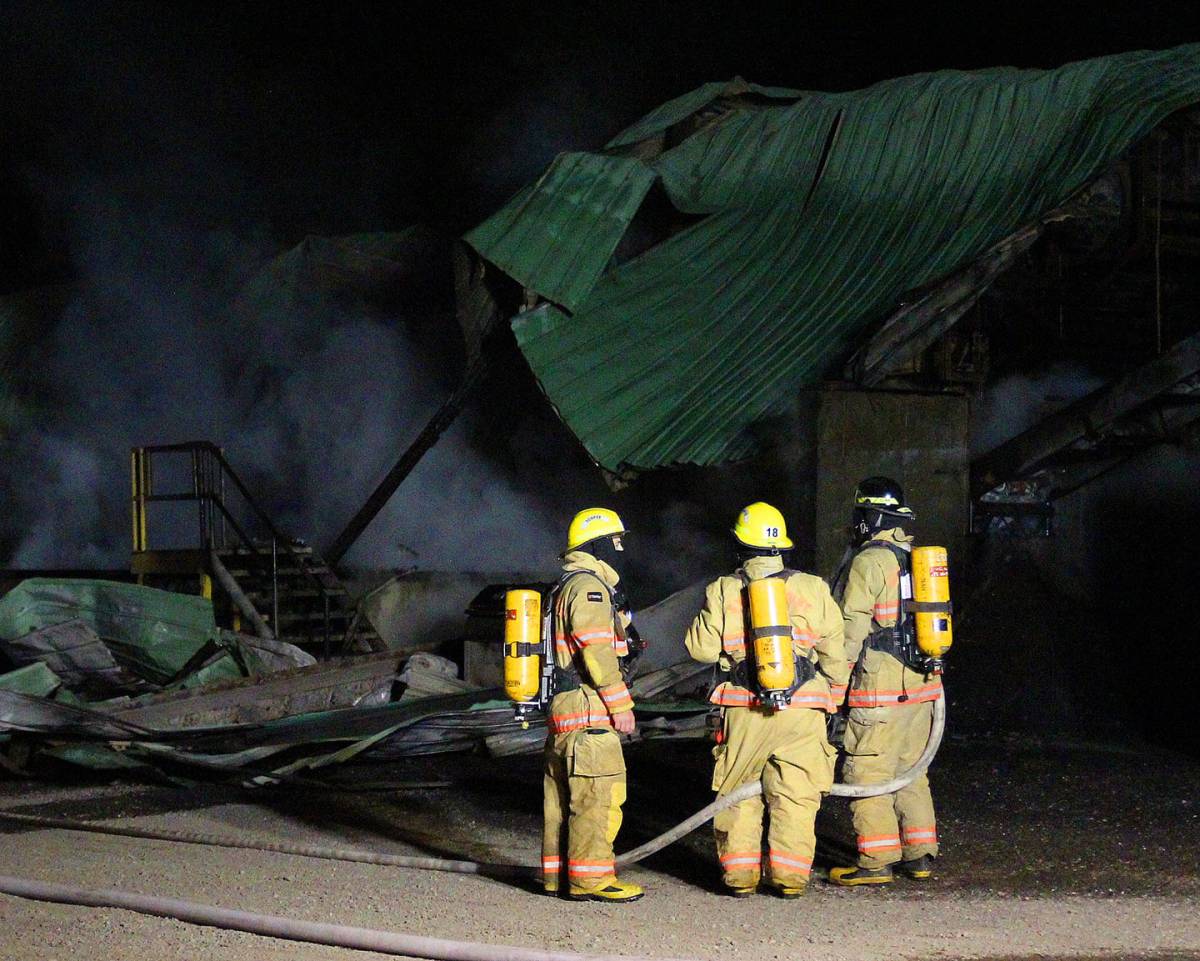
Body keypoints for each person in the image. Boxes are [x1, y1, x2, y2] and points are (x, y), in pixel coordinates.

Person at [684, 502, 847, 897]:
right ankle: (789, 879)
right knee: (796, 795)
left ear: (741, 546)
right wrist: (833, 698)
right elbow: (835, 653)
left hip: (745, 709)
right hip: (804, 709)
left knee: (738, 793)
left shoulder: (723, 589)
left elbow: (700, 649)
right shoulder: (813, 587)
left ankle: (740, 878)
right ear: (782, 548)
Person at [829, 477, 941, 887]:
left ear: (869, 515)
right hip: (923, 687)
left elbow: (851, 627)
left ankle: (875, 861)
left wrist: (832, 685)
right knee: (911, 770)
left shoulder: (870, 560)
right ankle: (920, 855)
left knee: (868, 771)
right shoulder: (914, 557)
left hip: (881, 687)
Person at [541, 508, 644, 903]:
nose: (620, 548)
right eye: (615, 541)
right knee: (597, 798)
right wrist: (620, 704)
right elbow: (597, 650)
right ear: (598, 545)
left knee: (562, 803)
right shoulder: (589, 587)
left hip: (566, 709)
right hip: (589, 709)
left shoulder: (565, 585)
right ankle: (592, 881)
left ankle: (558, 879)